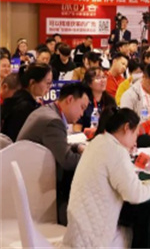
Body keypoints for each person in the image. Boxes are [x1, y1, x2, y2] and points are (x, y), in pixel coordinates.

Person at [63, 107, 150, 249]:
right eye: (135, 134)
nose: (135, 141)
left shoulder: (98, 141)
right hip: (96, 241)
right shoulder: (116, 151)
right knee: (138, 233)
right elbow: (135, 195)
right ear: (126, 128)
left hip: (77, 234)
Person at [17, 82, 89, 225]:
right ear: (70, 99)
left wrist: (78, 147)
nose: (82, 114)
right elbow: (68, 161)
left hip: (26, 177)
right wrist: (93, 158)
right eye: (82, 107)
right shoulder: (53, 121)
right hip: (36, 189)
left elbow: (58, 145)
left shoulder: (48, 111)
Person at [1, 63, 53, 141]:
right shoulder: (24, 107)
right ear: (32, 82)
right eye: (47, 83)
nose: (50, 86)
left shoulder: (20, 100)